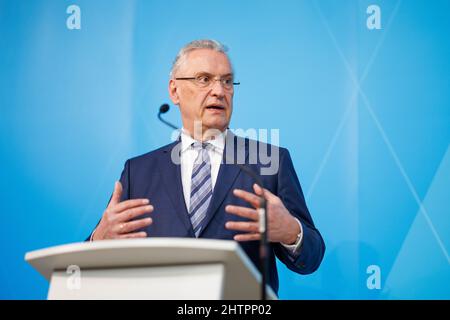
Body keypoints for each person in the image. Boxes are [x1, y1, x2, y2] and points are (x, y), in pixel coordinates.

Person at [88, 39, 325, 294]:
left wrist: (291, 232)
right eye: (204, 79)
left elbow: (311, 258)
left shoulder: (268, 162)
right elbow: (90, 270)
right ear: (174, 91)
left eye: (226, 81)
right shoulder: (139, 171)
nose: (219, 91)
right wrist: (98, 240)